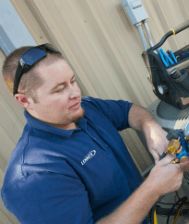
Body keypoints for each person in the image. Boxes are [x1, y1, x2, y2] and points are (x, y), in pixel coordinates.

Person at [1, 43, 188, 224]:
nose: (75, 93)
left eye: (73, 81)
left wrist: (151, 128)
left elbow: (127, 111)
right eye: (59, 89)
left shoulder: (86, 108)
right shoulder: (33, 176)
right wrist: (153, 189)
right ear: (24, 100)